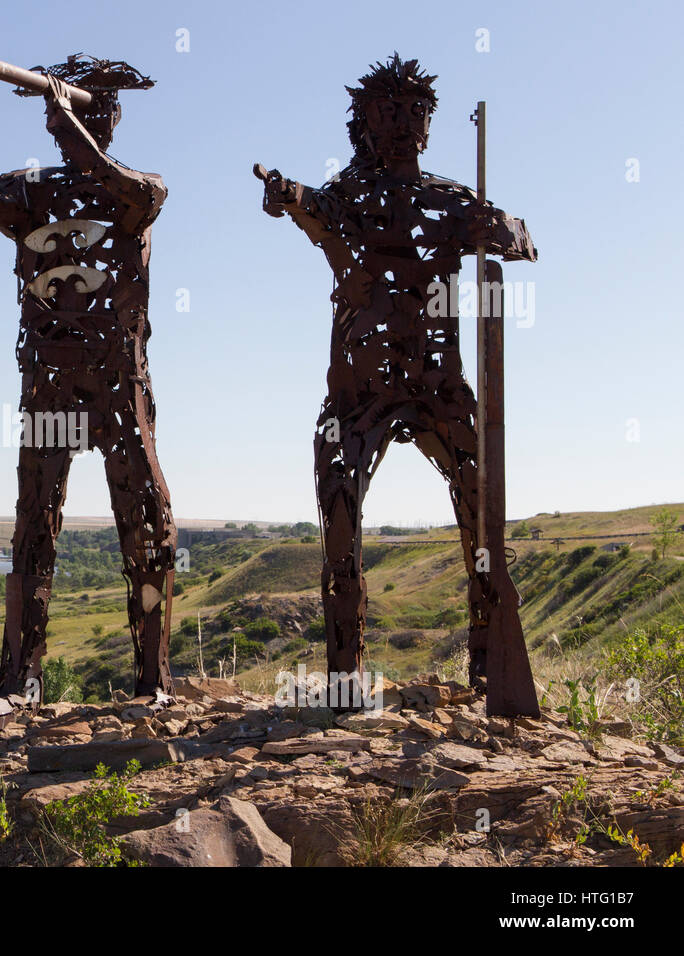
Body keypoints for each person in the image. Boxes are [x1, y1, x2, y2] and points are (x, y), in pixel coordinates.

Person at [256, 54, 538, 711]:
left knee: (484, 524)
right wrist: (287, 196)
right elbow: (312, 208)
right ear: (365, 122)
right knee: (339, 523)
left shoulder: (450, 200)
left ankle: (490, 671)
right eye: (390, 113)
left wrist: (500, 230)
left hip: (441, 385)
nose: (406, 125)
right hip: (360, 392)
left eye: (417, 113)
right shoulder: (348, 195)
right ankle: (346, 685)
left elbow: (524, 238)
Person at [0, 54, 177, 732]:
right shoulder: (33, 191)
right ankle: (19, 681)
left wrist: (67, 122)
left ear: (114, 115)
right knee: (34, 523)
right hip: (48, 381)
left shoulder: (141, 189)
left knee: (144, 517)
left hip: (117, 384)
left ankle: (152, 679)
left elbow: (121, 187)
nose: (91, 115)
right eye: (84, 105)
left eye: (101, 106)